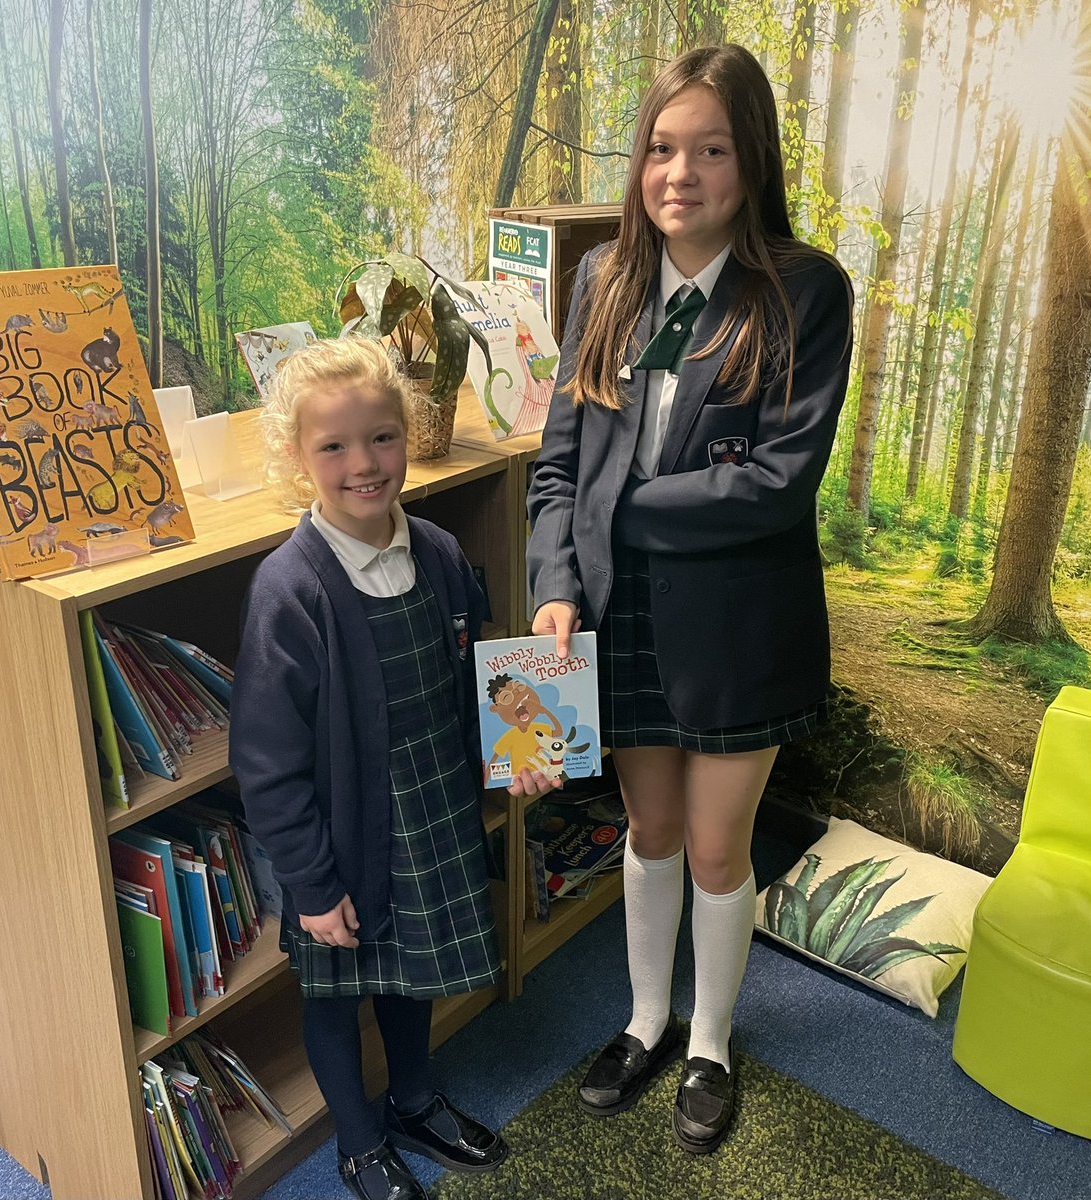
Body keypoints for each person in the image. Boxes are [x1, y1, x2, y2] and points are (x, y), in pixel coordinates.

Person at [526, 44, 854, 1156]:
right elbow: (559, 465)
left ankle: (709, 1041)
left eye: (708, 149)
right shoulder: (601, 282)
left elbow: (773, 483)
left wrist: (613, 512)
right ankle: (644, 1019)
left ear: (748, 161)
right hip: (616, 615)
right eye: (661, 149)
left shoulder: (802, 289)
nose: (679, 172)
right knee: (648, 829)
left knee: (717, 848)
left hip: (737, 624)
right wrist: (556, 583)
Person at [230, 338, 555, 1200]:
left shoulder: (442, 552)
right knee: (338, 995)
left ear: (407, 436)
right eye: (332, 447)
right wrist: (307, 881)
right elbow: (266, 764)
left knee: (414, 973)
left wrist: (516, 758)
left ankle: (413, 1100)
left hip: (433, 808)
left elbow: (480, 682)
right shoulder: (290, 591)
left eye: (381, 437)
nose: (363, 464)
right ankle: (358, 1141)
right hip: (341, 839)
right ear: (298, 460)